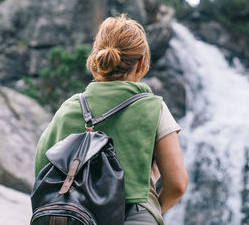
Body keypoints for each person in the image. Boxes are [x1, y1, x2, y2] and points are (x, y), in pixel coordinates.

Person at [34, 14, 189, 224]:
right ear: (141, 61)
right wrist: (150, 211)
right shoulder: (153, 107)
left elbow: (41, 171)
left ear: (97, 57)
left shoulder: (68, 109)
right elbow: (177, 184)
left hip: (74, 216)